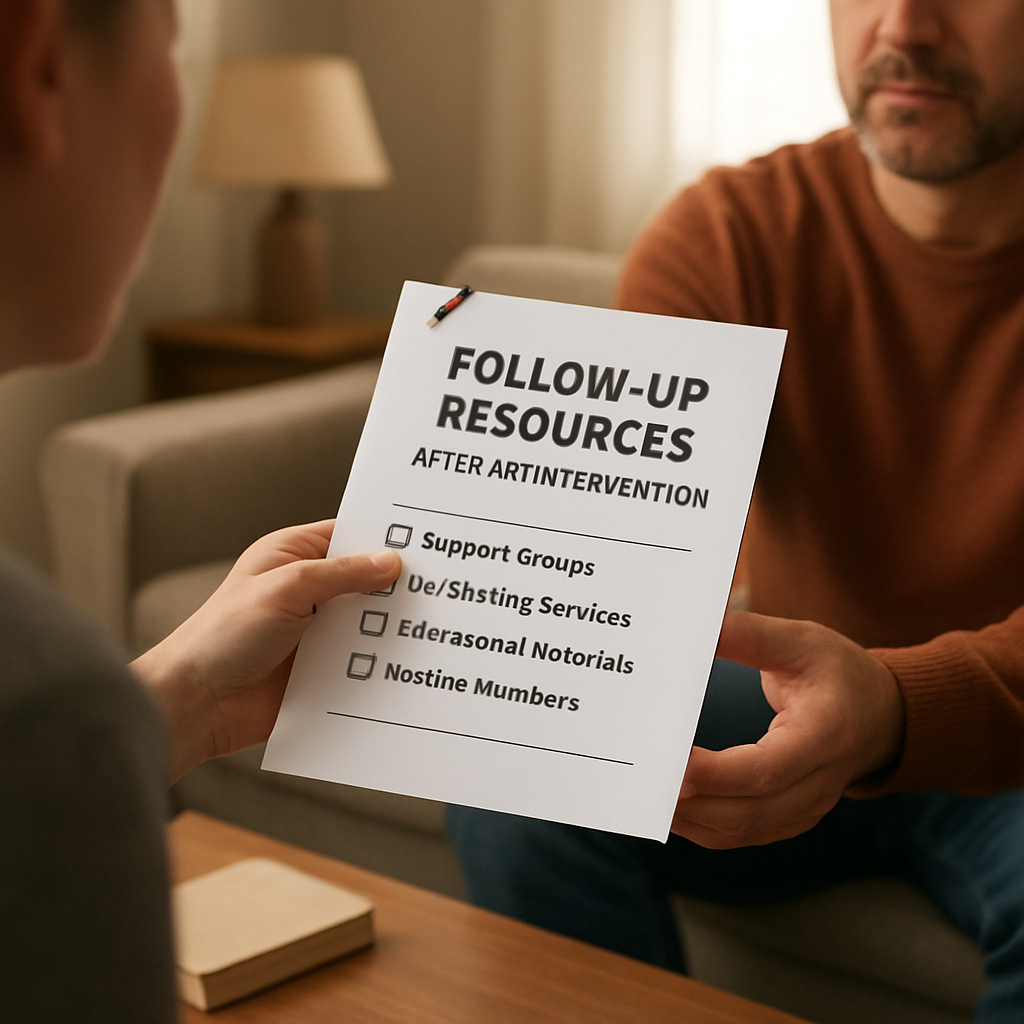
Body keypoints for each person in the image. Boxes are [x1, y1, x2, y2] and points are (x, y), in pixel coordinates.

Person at [447, 2, 1024, 1021]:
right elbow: (605, 562)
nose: (904, 25)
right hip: (785, 696)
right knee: (515, 768)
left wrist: (890, 703)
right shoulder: (730, 230)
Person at [0, 1, 401, 1020]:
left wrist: (169, 697)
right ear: (33, 63)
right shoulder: (39, 702)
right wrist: (82, 737)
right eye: (170, 38)